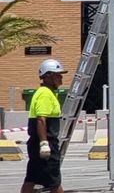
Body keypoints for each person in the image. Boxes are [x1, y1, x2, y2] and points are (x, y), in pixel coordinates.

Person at [22, 59, 66, 193]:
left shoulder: (47, 93)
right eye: (57, 74)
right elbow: (41, 119)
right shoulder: (45, 94)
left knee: (32, 178)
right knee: (54, 181)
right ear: (48, 76)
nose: (61, 77)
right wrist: (44, 143)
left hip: (38, 143)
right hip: (46, 144)